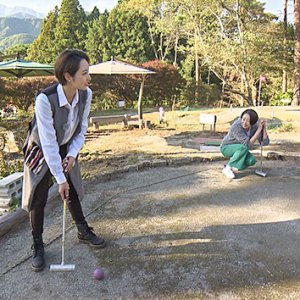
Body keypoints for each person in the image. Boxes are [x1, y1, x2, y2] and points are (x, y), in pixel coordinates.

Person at [22, 49, 106, 272]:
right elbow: (48, 142)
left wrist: (72, 154)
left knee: (73, 191)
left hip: (67, 146)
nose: (89, 78)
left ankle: (82, 230)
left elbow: (82, 129)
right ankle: (38, 244)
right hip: (42, 148)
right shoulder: (44, 100)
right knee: (38, 198)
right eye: (85, 73)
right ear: (69, 76)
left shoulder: (86, 94)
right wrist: (59, 178)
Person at [220, 109, 269, 179]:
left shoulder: (254, 126)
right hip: (226, 147)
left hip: (241, 150)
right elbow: (247, 144)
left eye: (248, 121)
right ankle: (227, 168)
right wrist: (259, 130)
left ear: (252, 122)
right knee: (243, 147)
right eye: (243, 119)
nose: (244, 122)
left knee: (251, 160)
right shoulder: (236, 126)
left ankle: (234, 165)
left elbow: (265, 143)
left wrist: (263, 128)